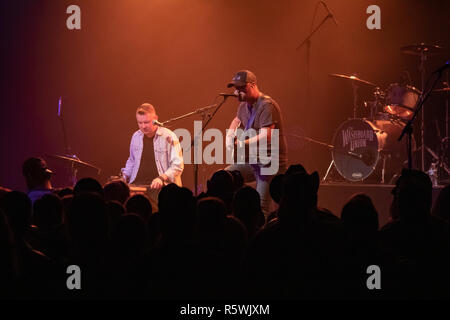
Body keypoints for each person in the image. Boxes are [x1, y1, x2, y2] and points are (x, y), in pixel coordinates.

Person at [225, 70, 287, 217]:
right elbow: (236, 120)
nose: (237, 92)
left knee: (261, 206)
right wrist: (229, 134)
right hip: (253, 161)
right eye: (236, 89)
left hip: (270, 163)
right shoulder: (243, 106)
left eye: (241, 88)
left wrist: (242, 143)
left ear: (252, 86)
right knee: (224, 177)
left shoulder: (267, 105)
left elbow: (266, 135)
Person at [121, 103, 184, 204]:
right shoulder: (136, 136)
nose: (143, 126)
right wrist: (124, 177)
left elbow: (177, 166)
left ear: (156, 119)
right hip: (138, 185)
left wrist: (161, 178)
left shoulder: (169, 136)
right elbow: (132, 161)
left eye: (146, 122)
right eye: (140, 123)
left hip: (162, 187)